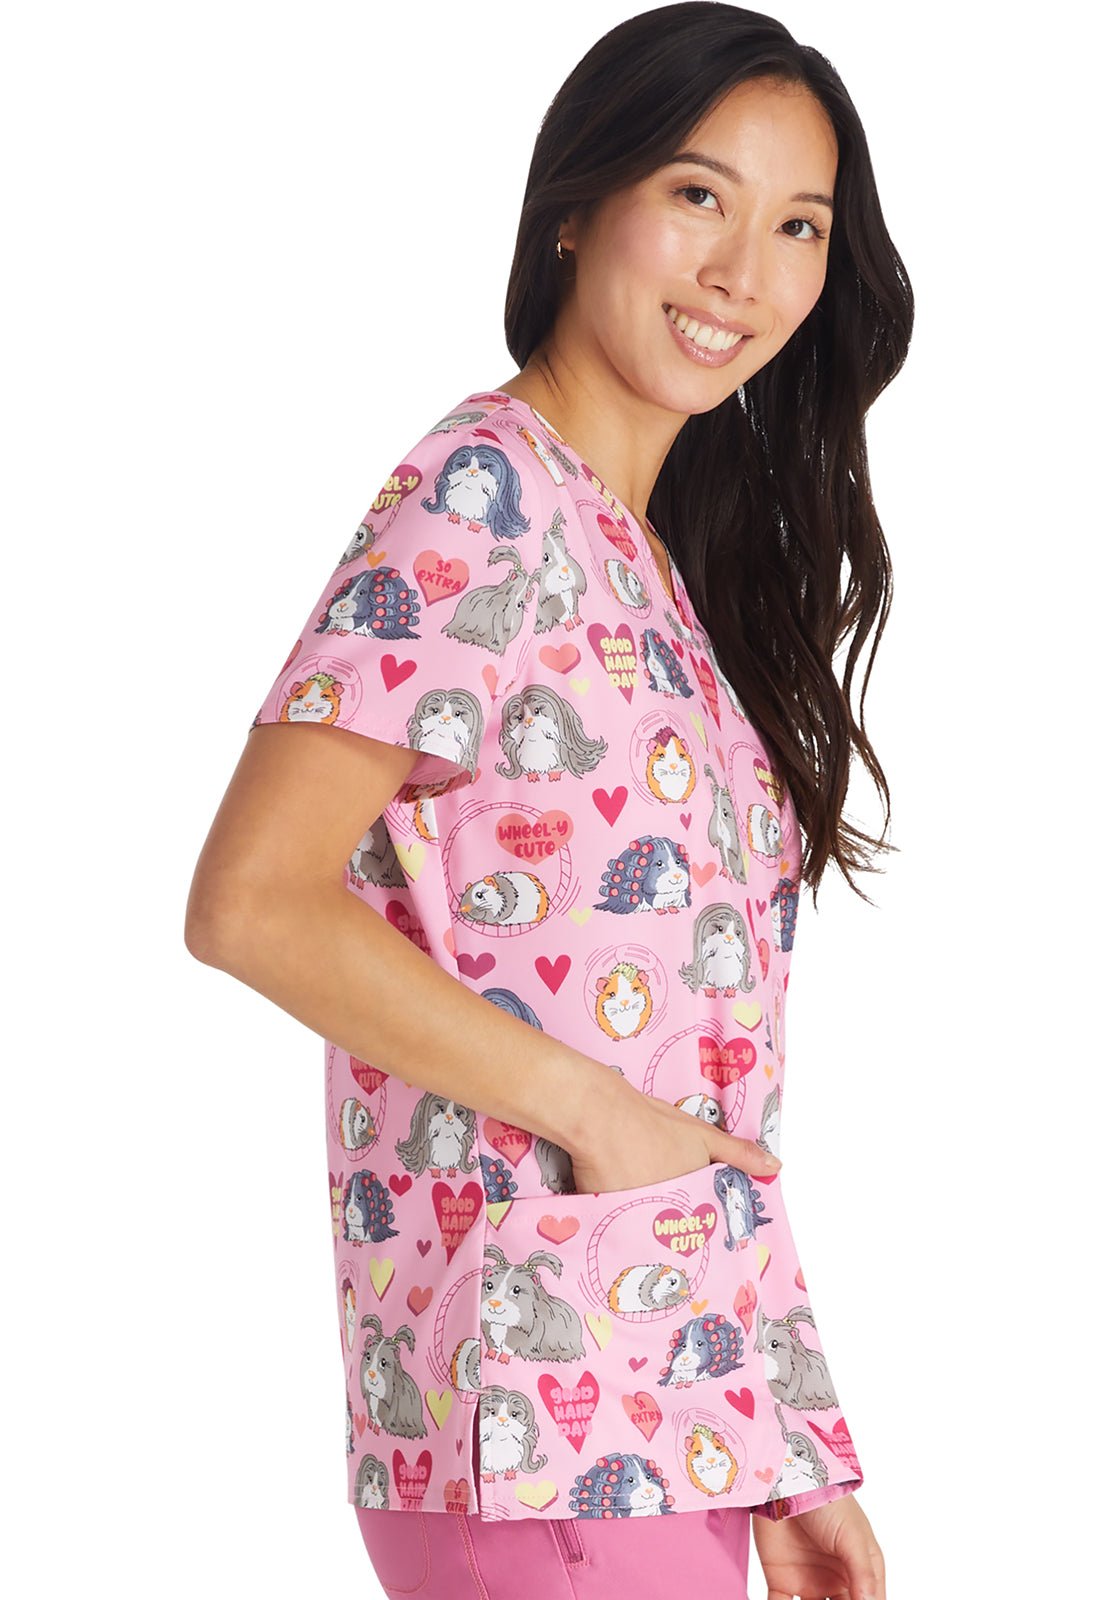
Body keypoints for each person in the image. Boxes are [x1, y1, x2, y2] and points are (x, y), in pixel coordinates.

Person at [185, 5, 910, 1596]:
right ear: (577, 206)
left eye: (800, 226)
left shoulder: (646, 563)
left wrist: (778, 1445)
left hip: (657, 1412)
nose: (744, 273)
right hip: (526, 1409)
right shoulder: (487, 496)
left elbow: (692, 1069)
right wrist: (590, 1115)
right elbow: (250, 902)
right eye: (699, 196)